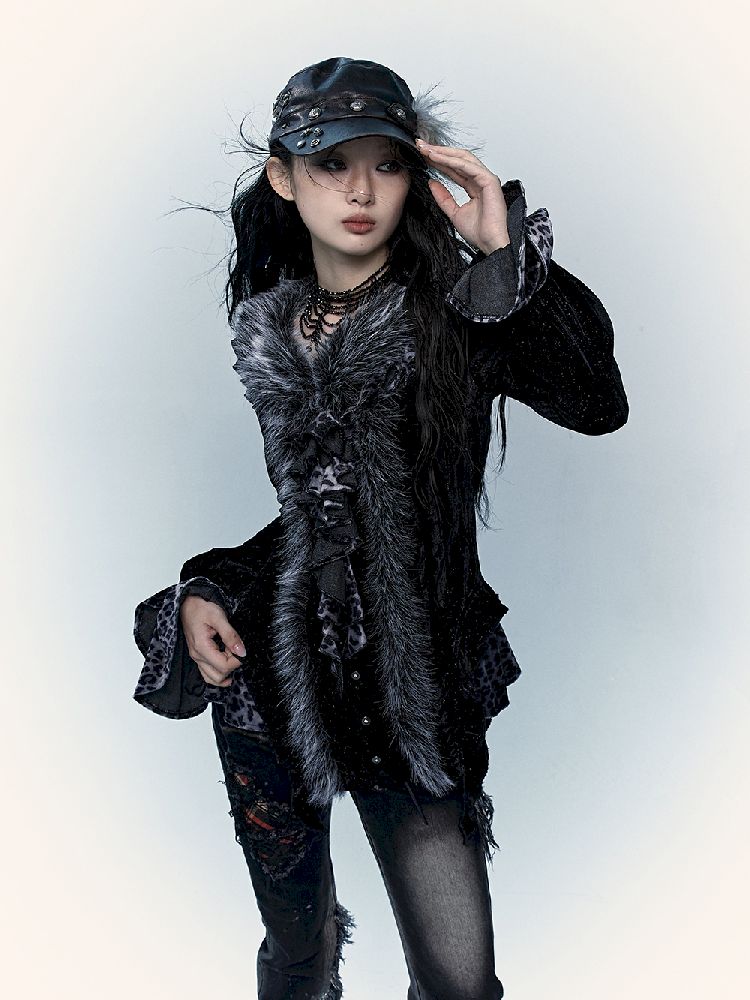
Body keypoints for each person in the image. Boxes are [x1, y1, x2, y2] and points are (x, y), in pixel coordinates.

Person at [132, 56, 628, 1000]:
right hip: (274, 692)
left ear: (416, 174)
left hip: (413, 704)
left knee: (459, 983)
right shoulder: (272, 326)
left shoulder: (457, 315)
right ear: (283, 177)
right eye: (330, 164)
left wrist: (502, 256)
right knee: (298, 958)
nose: (360, 192)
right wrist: (207, 587)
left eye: (387, 164)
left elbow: (598, 402)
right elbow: (318, 522)